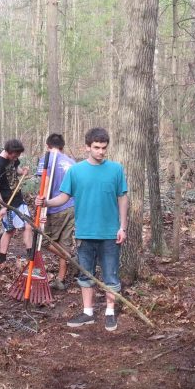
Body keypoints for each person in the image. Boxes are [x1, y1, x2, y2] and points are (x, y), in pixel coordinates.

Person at [37, 128, 128, 332]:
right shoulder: (75, 171)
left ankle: (110, 312)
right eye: (96, 147)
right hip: (85, 233)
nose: (101, 152)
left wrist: (123, 226)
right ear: (87, 147)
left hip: (110, 233)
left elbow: (123, 197)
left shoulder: (116, 169)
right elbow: (64, 197)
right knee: (86, 275)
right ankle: (87, 312)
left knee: (110, 275)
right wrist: (46, 203)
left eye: (104, 148)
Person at [36, 133, 77, 290]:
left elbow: (44, 185)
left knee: (45, 240)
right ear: (62, 146)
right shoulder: (72, 162)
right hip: (72, 206)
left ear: (47, 145)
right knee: (63, 243)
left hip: (55, 207)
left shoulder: (46, 159)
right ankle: (60, 278)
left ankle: (71, 259)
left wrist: (41, 208)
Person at [0, 139, 33, 264]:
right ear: (8, 152)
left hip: (18, 198)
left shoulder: (14, 158)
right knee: (9, 231)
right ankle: (2, 260)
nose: (17, 157)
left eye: (18, 155)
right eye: (15, 155)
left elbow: (16, 170)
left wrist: (22, 171)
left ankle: (31, 256)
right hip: (7, 201)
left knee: (28, 225)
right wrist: (2, 206)